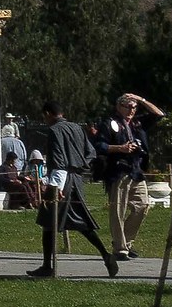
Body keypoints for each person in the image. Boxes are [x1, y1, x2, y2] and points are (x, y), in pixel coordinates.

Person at [27, 102, 119, 278]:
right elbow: (91, 152)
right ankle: (106, 255)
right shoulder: (77, 128)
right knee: (80, 221)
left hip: (62, 180)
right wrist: (80, 166)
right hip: (77, 179)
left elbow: (58, 160)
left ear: (48, 113)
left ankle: (47, 266)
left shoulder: (54, 130)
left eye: (44, 116)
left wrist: (56, 186)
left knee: (48, 220)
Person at [96, 91, 164, 259]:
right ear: (119, 107)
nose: (131, 110)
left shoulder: (138, 123)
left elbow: (159, 114)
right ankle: (120, 249)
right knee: (118, 210)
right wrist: (120, 148)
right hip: (118, 170)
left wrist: (141, 99)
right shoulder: (109, 123)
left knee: (142, 206)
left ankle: (125, 242)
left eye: (134, 107)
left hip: (136, 170)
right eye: (128, 107)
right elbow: (99, 145)